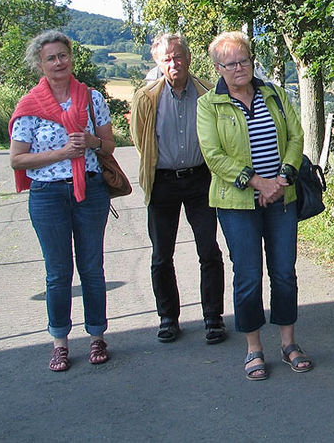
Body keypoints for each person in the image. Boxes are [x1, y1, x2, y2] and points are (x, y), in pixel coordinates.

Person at [196, 31, 312, 380]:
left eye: (243, 60)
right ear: (218, 68)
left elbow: (296, 135)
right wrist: (257, 182)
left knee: (284, 273)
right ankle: (253, 349)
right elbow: (213, 155)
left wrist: (282, 179)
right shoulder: (208, 105)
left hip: (282, 198)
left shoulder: (273, 94)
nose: (238, 68)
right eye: (230, 64)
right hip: (237, 204)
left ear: (252, 60)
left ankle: (289, 343)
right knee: (247, 276)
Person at [9, 30, 116, 371]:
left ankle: (97, 336)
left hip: (91, 191)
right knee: (57, 273)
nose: (58, 62)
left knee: (92, 268)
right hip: (48, 195)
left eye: (63, 55)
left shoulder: (92, 98)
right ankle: (60, 341)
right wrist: (61, 152)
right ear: (40, 65)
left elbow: (109, 146)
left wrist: (90, 142)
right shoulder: (29, 107)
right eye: (51, 58)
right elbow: (17, 159)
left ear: (71, 58)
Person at [130, 33, 226, 344]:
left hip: (200, 180)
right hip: (163, 182)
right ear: (158, 63)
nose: (174, 63)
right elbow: (140, 140)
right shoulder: (146, 98)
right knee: (161, 255)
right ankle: (168, 317)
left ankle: (213, 318)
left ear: (188, 57)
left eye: (178, 56)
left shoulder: (206, 94)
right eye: (167, 58)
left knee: (209, 251)